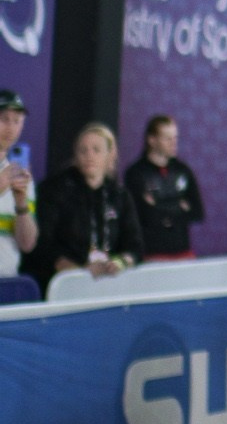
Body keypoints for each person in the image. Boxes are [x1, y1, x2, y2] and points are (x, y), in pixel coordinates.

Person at [22, 123, 143, 296]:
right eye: (83, 150)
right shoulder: (54, 190)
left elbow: (135, 245)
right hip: (62, 285)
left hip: (108, 285)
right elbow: (42, 244)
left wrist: (121, 262)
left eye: (96, 150)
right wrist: (78, 271)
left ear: (111, 154)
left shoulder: (120, 196)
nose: (89, 156)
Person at [124, 114, 206, 259]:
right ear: (152, 140)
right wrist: (179, 206)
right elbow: (142, 216)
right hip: (151, 254)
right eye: (168, 138)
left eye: (175, 138)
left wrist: (157, 205)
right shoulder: (136, 173)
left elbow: (197, 212)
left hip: (183, 252)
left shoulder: (183, 170)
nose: (174, 143)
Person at [0, 88, 38, 276]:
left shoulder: (19, 172)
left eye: (17, 121)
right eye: (4, 119)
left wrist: (21, 202)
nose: (11, 127)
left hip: (7, 280)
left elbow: (27, 244)